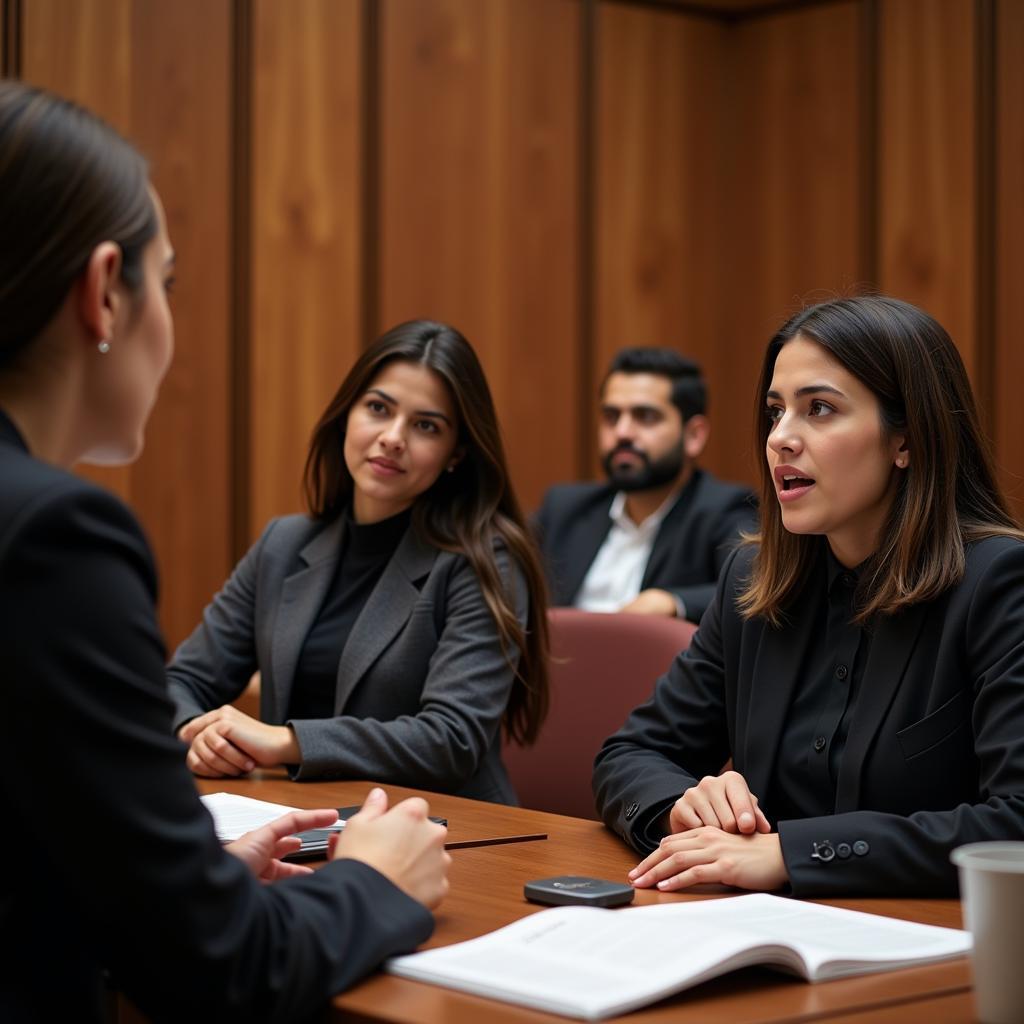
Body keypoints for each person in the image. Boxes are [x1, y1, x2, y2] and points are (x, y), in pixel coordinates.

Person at [0, 81, 450, 1022]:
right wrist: (373, 882)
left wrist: (169, 874)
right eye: (166, 284)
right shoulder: (55, 537)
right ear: (102, 294)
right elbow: (215, 971)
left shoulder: (467, 560)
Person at [593, 296, 1024, 898]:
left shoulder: (999, 583)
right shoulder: (752, 577)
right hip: (755, 929)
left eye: (819, 409)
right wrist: (684, 808)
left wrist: (791, 855)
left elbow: (1014, 823)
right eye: (775, 412)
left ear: (908, 439)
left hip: (924, 945)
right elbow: (631, 752)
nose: (780, 439)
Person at [167, 320, 549, 802]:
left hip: (445, 830)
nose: (392, 437)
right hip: (294, 815)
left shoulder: (486, 558)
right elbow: (184, 680)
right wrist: (194, 734)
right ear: (347, 414)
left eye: (425, 425)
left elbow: (450, 740)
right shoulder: (283, 544)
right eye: (378, 409)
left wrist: (286, 742)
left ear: (456, 454)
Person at [533, 347, 755, 623]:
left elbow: (754, 588)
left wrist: (671, 601)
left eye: (645, 416)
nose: (623, 432)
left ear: (693, 436)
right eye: (611, 416)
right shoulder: (564, 508)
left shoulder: (724, 509)